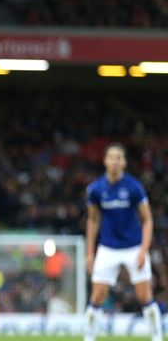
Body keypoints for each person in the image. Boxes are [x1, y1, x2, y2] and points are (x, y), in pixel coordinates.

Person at [83, 143, 163, 341]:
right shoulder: (95, 189)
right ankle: (89, 338)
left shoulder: (134, 187)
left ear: (124, 162)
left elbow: (147, 220)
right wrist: (90, 253)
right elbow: (92, 220)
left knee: (145, 296)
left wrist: (144, 250)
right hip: (108, 248)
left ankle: (157, 337)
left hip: (134, 247)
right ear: (105, 161)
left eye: (119, 157)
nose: (115, 161)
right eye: (112, 157)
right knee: (97, 297)